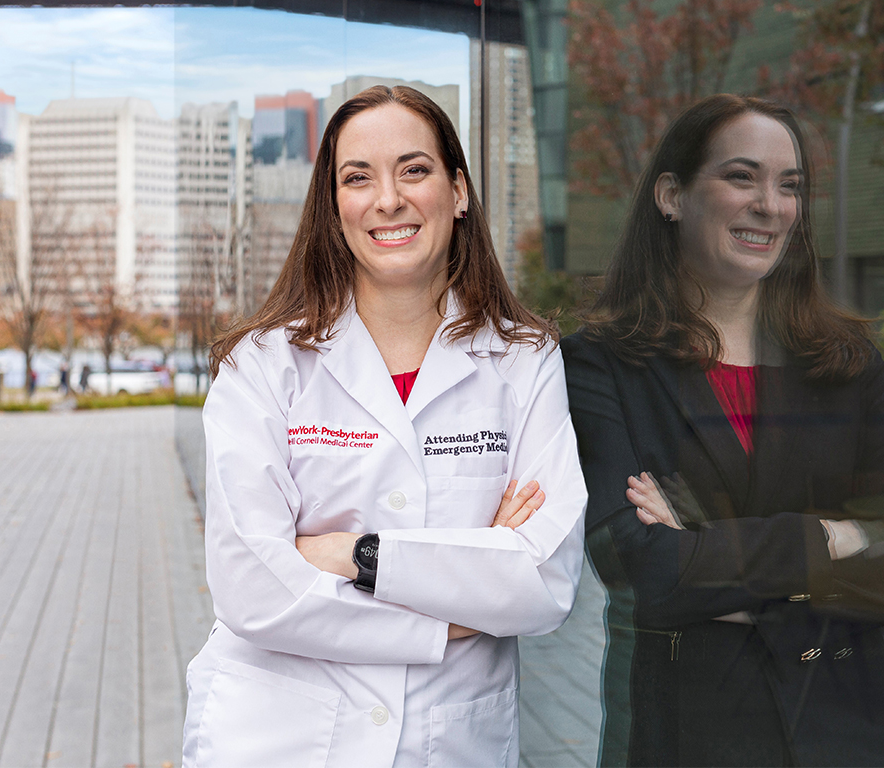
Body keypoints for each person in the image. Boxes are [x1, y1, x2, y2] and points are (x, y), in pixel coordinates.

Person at [182, 85, 587, 768]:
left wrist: (352, 556)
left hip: (449, 740)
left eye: (414, 169)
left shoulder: (525, 361)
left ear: (457, 191)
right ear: (333, 206)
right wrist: (463, 592)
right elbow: (254, 591)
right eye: (357, 177)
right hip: (278, 738)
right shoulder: (263, 365)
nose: (388, 199)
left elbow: (543, 585)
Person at [562, 94, 884, 767]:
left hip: (855, 732)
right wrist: (836, 536)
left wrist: (712, 558)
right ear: (672, 197)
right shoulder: (602, 363)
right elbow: (647, 571)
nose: (770, 204)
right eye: (742, 177)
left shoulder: (848, 363)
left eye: (789, 186)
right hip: (696, 733)